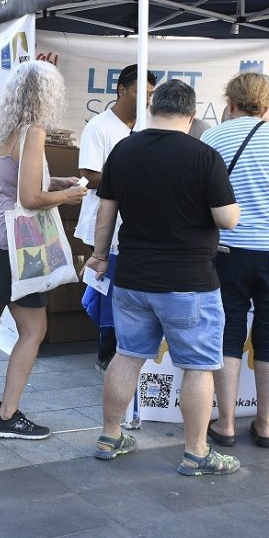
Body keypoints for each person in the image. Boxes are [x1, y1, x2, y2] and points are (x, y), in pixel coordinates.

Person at [85, 80, 241, 474]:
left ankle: (110, 435)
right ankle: (196, 452)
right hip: (189, 282)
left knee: (127, 356)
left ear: (152, 108)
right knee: (198, 367)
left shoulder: (124, 149)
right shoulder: (204, 156)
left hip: (133, 277)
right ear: (192, 115)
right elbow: (228, 219)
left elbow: (106, 212)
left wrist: (100, 256)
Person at [0, 60, 88, 440]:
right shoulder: (34, 130)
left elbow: (21, 184)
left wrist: (56, 180)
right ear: (46, 95)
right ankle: (8, 415)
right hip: (15, 248)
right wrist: (68, 194)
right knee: (34, 329)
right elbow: (31, 198)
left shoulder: (10, 129)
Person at [201, 72, 269, 449]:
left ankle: (226, 424)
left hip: (229, 247)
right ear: (267, 104)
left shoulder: (212, 137)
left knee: (228, 332)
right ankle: (265, 424)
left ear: (230, 102)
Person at [75, 64, 156, 371]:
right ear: (122, 90)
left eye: (150, 94)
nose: (146, 99)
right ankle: (106, 353)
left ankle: (126, 351)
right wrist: (132, 179)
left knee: (125, 292)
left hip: (137, 228)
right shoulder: (99, 127)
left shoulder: (149, 127)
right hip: (105, 228)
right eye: (140, 92)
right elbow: (90, 175)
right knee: (108, 293)